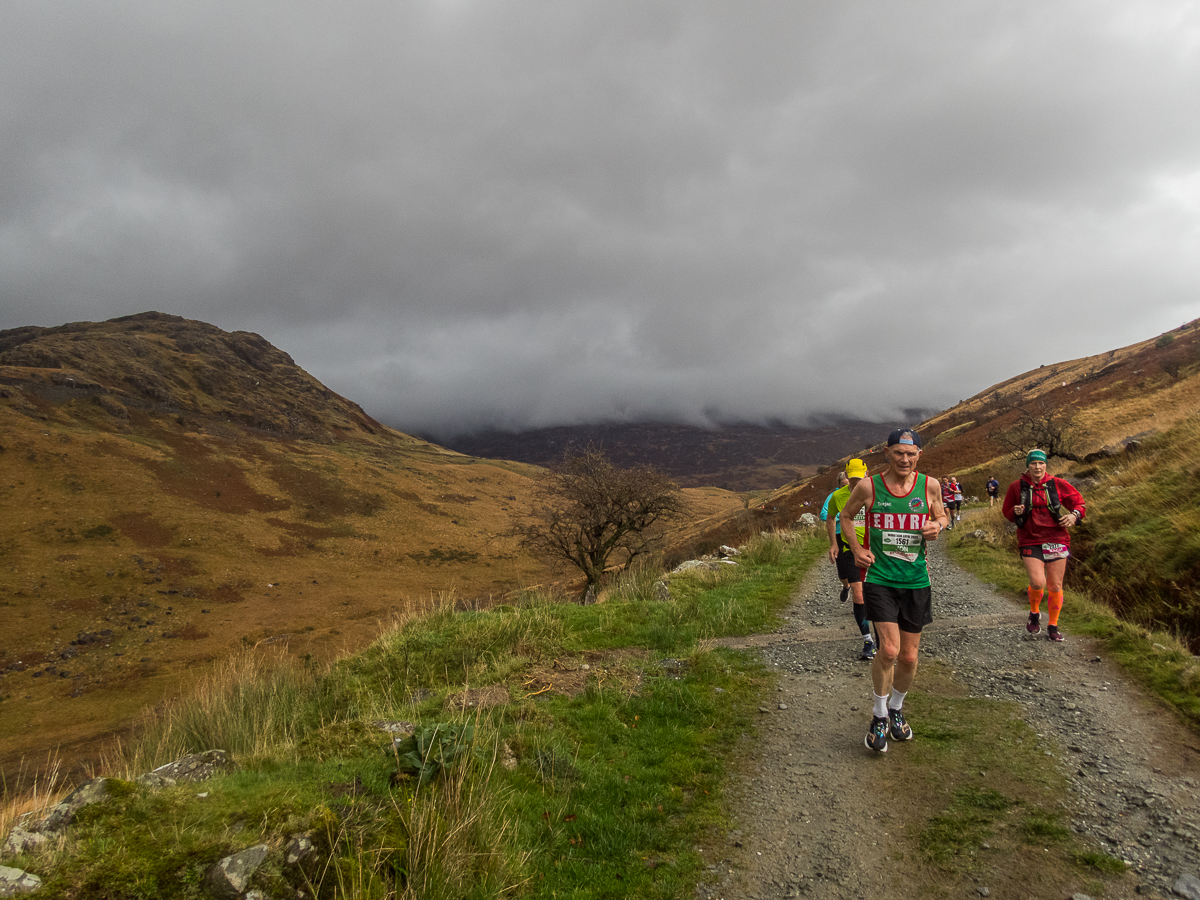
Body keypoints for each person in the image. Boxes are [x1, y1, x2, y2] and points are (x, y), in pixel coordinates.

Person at [840, 429, 948, 754]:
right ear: (886, 453)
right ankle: (878, 715)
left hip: (916, 581)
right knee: (888, 651)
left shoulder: (929, 486)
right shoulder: (868, 486)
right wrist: (857, 550)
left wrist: (938, 525)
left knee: (910, 656)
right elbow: (846, 516)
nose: (904, 459)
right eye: (898, 453)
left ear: (919, 455)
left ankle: (897, 709)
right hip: (880, 579)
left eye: (910, 453)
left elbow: (942, 513)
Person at [1002, 449, 1086, 643]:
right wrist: (1014, 511)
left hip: (1057, 538)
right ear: (1028, 466)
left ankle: (1053, 626)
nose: (1037, 467)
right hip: (1030, 538)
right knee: (1038, 582)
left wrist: (1074, 516)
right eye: (1033, 464)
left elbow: (1080, 504)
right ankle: (1034, 612)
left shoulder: (1058, 484)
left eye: (1041, 463)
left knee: (1055, 585)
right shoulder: (1017, 487)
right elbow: (1007, 512)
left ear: (1046, 465)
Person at [825, 459, 876, 660]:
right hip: (851, 550)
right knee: (859, 593)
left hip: (877, 549)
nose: (855, 482)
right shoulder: (838, 496)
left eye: (859, 478)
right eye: (852, 478)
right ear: (846, 476)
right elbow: (830, 518)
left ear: (867, 473)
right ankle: (868, 640)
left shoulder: (877, 491)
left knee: (882, 592)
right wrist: (834, 543)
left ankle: (888, 633)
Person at [820, 472, 851, 602]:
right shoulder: (833, 496)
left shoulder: (858, 494)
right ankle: (846, 586)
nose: (846, 488)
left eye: (848, 485)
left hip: (857, 535)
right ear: (838, 486)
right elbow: (823, 515)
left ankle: (861, 597)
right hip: (839, 535)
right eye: (843, 485)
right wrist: (842, 517)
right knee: (842, 571)